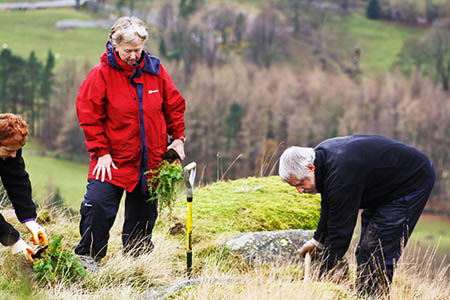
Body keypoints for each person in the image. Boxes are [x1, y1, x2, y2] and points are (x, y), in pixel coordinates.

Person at [75, 16, 186, 261]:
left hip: (151, 161)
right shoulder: (101, 74)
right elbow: (88, 114)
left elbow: (174, 105)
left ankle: (137, 266)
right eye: (128, 51)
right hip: (111, 160)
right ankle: (88, 260)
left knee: (144, 217)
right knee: (98, 206)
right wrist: (101, 151)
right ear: (115, 46)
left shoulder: (156, 71)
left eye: (138, 49)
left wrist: (178, 139)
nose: (134, 55)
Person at [279, 135, 435, 297]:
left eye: (300, 183)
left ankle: (373, 296)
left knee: (376, 250)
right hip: (382, 187)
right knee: (365, 248)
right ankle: (363, 295)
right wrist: (318, 241)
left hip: (411, 182)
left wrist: (322, 277)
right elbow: (329, 205)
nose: (300, 190)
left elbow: (340, 234)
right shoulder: (323, 159)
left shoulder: (340, 175)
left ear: (311, 168)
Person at [0, 113, 48, 262]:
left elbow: (17, 181)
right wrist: (13, 240)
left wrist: (30, 220)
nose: (14, 155)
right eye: (9, 151)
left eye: (17, 150)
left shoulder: (10, 151)